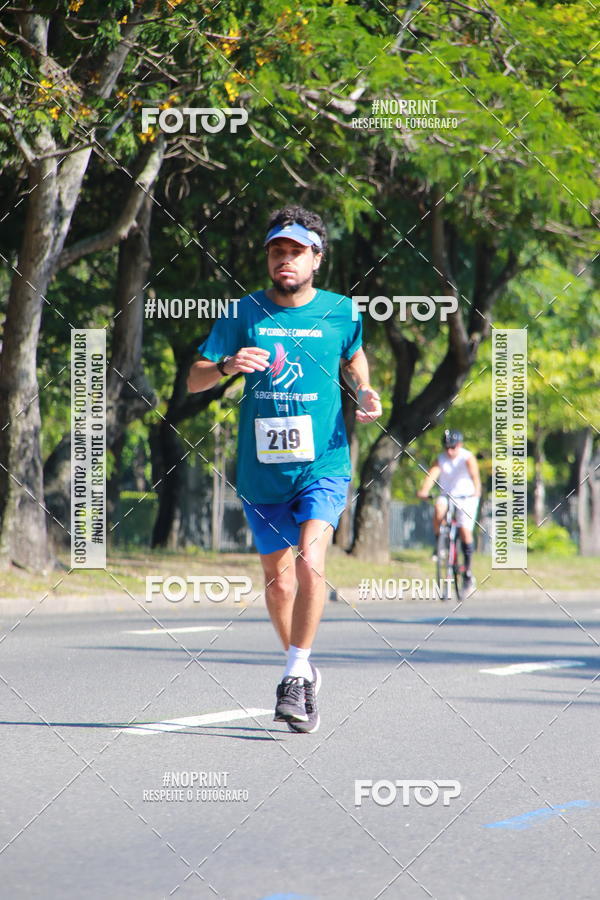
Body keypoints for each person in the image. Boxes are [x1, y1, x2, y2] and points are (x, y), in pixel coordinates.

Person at [187, 205, 382, 733]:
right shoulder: (242, 313)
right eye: (278, 250)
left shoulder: (341, 311)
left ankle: (294, 674)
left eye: (296, 251)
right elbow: (194, 380)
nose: (285, 259)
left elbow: (355, 355)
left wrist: (363, 388)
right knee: (277, 586)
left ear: (317, 258)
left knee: (310, 565)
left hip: (324, 462)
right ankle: (302, 665)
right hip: (262, 470)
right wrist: (227, 367)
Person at [417, 429, 481, 593]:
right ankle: (440, 543)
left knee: (465, 531)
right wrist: (424, 490)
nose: (450, 451)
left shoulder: (467, 457)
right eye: (447, 448)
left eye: (453, 447)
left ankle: (467, 571)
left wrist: (476, 491)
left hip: (466, 496)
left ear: (459, 445)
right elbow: (432, 475)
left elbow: (475, 477)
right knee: (438, 509)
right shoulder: (441, 459)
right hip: (447, 495)